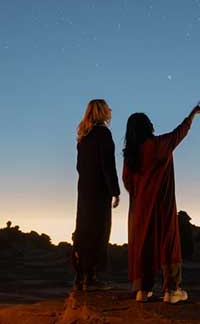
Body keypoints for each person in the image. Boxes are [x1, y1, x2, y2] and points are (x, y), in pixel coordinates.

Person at [122, 101, 200, 304]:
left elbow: (127, 182)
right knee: (168, 242)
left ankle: (142, 291)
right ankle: (172, 290)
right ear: (148, 126)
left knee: (144, 245)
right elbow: (179, 133)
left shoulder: (129, 155)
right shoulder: (159, 145)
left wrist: (141, 193)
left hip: (139, 208)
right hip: (162, 204)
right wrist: (192, 115)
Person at [72, 99, 121, 291]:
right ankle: (92, 278)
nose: (110, 111)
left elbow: (79, 166)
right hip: (99, 191)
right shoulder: (103, 133)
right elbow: (108, 165)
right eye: (108, 109)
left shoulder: (83, 136)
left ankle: (80, 277)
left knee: (83, 230)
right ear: (102, 112)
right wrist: (115, 191)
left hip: (84, 189)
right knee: (100, 231)